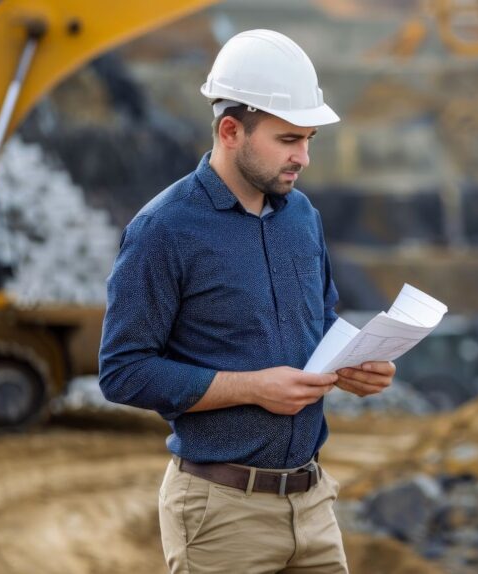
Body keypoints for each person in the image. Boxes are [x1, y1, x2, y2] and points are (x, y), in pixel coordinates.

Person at [98, 29, 393, 573]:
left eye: (308, 139)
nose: (303, 156)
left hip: (313, 503)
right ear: (230, 130)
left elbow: (320, 321)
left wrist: (356, 364)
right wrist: (253, 387)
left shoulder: (302, 216)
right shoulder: (163, 230)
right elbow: (123, 371)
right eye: (287, 140)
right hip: (219, 517)